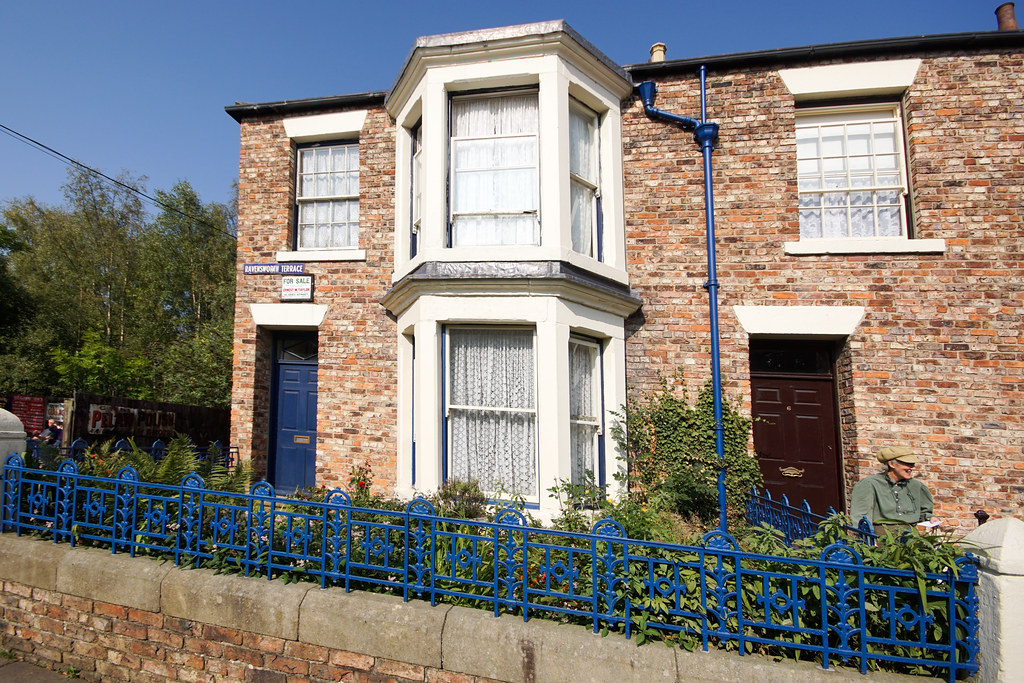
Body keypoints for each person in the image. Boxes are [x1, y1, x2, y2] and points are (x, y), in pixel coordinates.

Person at [849, 446, 938, 529]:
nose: (911, 468)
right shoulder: (870, 484)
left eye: (912, 464)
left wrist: (931, 518)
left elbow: (923, 513)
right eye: (907, 464)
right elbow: (860, 517)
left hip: (911, 537)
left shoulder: (917, 486)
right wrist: (868, 540)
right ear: (892, 464)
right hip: (882, 537)